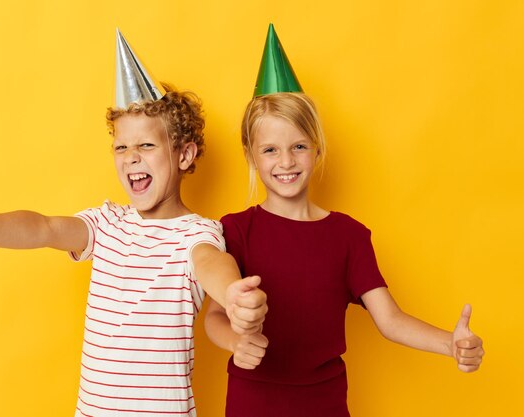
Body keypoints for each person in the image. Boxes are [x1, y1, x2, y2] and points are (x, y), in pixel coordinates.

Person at [0, 29, 267, 417]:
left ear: (185, 154)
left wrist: (234, 294)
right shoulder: (107, 224)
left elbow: (210, 264)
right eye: (121, 147)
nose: (130, 157)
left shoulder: (196, 234)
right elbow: (44, 228)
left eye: (146, 146)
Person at [204, 24, 484, 417]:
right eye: (270, 150)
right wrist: (236, 341)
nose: (286, 162)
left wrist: (449, 343)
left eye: (298, 146)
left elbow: (390, 319)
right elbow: (214, 317)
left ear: (316, 149)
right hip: (254, 401)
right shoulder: (234, 230)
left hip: (325, 403)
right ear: (251, 156)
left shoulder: (349, 236)